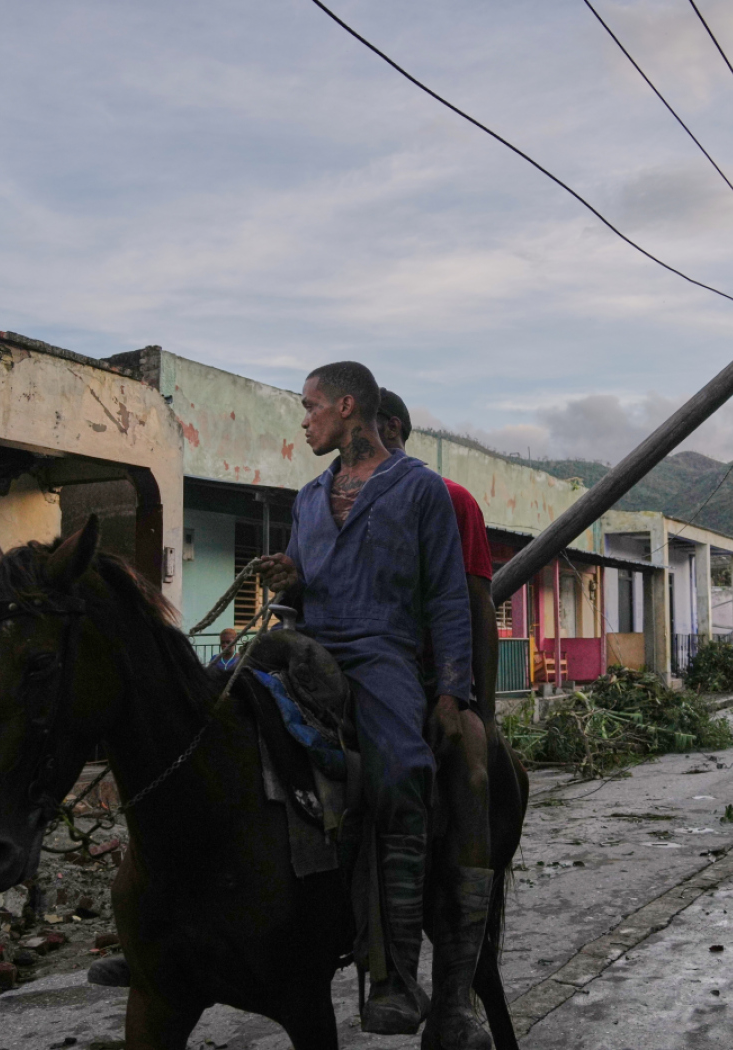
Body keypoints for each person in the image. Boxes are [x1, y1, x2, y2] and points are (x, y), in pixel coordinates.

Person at [258, 362, 472, 1035]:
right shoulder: (307, 497)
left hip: (381, 652)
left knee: (404, 770)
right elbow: (301, 585)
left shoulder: (420, 491)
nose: (305, 419)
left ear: (348, 406)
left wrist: (450, 691)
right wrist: (288, 575)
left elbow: (446, 595)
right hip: (307, 646)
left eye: (312, 406)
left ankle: (396, 974)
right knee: (210, 707)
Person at [375, 387, 495, 1050]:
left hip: (423, 685)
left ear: (388, 427)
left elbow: (476, 606)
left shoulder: (451, 501)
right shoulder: (326, 497)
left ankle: (452, 996)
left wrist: (476, 709)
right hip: (347, 674)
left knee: (471, 772)